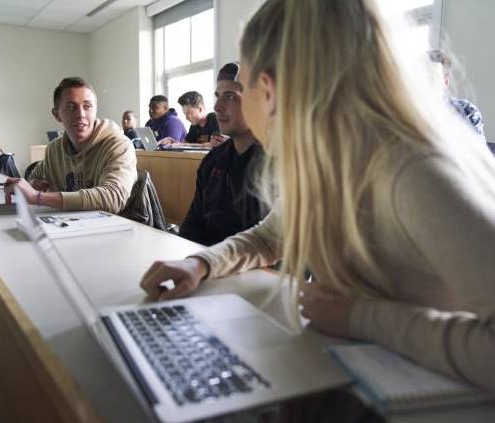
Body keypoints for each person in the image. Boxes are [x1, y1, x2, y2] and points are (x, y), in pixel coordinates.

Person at [141, 0, 495, 393]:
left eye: (243, 88)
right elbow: (270, 236)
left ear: (270, 90)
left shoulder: (415, 170)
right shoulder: (334, 156)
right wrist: (202, 264)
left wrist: (361, 317)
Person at [6, 77, 137, 214]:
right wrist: (33, 184)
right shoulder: (54, 149)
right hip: (71, 227)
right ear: (57, 115)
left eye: (87, 106)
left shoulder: (119, 145)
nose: (80, 114)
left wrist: (38, 197)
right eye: (71, 107)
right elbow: (34, 178)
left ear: (95, 110)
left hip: (116, 228)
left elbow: (113, 198)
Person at [179, 63, 269, 246]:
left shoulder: (277, 164)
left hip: (250, 269)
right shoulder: (213, 161)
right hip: (206, 263)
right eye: (218, 96)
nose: (217, 106)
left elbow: (269, 247)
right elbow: (192, 225)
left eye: (230, 97)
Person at [429, 49, 486, 140]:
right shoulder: (406, 115)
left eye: (434, 78)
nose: (428, 83)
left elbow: (477, 152)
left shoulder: (467, 111)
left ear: (445, 82)